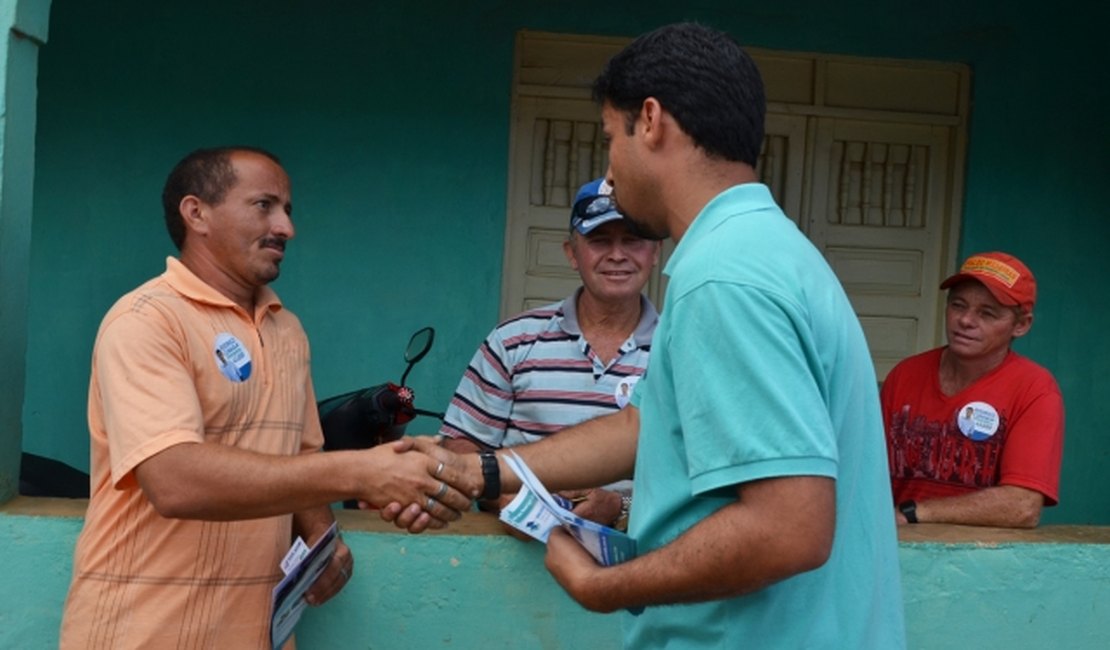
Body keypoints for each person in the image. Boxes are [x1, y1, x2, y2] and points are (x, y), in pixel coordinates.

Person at [389, 23, 906, 648]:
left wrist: (607, 586)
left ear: (651, 121)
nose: (609, 171)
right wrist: (482, 472)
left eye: (610, 139)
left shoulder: (724, 277)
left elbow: (789, 528)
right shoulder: (766, 250)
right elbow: (644, 427)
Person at [59, 146, 477, 649]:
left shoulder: (287, 330)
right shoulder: (147, 321)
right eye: (264, 205)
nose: (286, 228)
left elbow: (300, 455)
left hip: (253, 632)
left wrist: (322, 537)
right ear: (197, 214)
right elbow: (174, 481)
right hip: (143, 630)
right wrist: (365, 471)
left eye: (288, 211)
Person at [440, 177, 660, 528]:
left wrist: (620, 506)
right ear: (572, 254)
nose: (617, 255)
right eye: (600, 241)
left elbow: (697, 473)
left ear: (654, 253)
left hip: (634, 562)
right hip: (512, 560)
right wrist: (510, 499)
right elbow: (460, 444)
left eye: (632, 240)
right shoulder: (513, 340)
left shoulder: (677, 349)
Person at [883, 251, 1065, 528]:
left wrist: (915, 512)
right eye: (958, 305)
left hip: (981, 562)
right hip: (894, 552)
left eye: (987, 313)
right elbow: (863, 472)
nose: (966, 320)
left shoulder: (1035, 389)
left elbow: (1023, 506)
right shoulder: (905, 375)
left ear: (1021, 325)